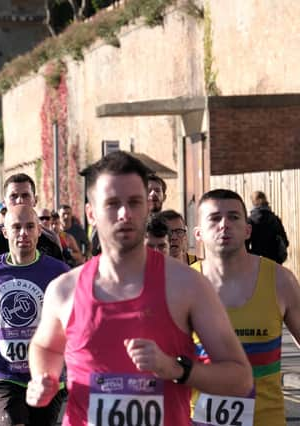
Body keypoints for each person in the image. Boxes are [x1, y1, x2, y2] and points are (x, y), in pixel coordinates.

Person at [25, 151, 252, 424]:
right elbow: (45, 346)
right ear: (91, 213)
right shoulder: (64, 289)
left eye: (134, 202)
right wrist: (43, 378)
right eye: (112, 203)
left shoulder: (187, 285)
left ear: (148, 207)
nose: (125, 213)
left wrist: (176, 369)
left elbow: (240, 378)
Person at [192, 189, 300, 425]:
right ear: (198, 233)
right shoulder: (182, 285)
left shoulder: (281, 281)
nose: (224, 225)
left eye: (233, 217)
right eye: (214, 218)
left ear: (247, 229)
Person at [0, 205, 69, 426]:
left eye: (30, 227)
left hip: (47, 375)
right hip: (4, 372)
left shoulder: (58, 271)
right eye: (16, 227)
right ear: (5, 232)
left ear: (39, 230)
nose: (23, 233)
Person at [0, 174, 63, 261]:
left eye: (25, 195)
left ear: (35, 200)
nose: (19, 200)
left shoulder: (50, 240)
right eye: (13, 196)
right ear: (4, 202)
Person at [246, 191, 289, 264]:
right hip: (275, 262)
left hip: (256, 262)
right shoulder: (275, 219)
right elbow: (286, 242)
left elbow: (245, 244)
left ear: (253, 203)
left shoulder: (250, 221)